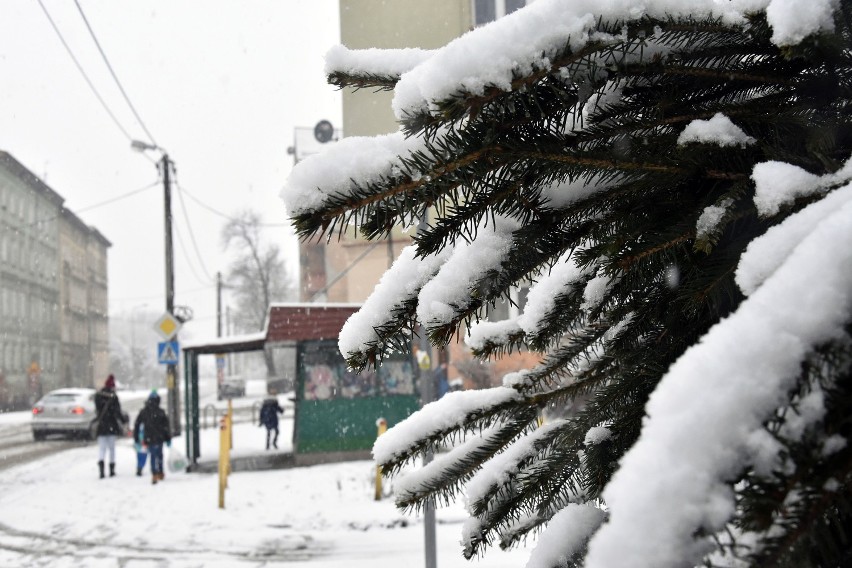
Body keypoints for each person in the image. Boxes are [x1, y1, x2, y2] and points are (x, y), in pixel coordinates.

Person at [133, 390, 172, 485]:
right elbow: (166, 427)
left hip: (149, 438)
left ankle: (154, 473)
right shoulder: (161, 412)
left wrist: (136, 437)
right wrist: (168, 438)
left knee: (153, 456)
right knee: (159, 455)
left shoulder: (144, 412)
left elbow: (137, 424)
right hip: (159, 438)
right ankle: (160, 472)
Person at [94, 374, 128, 479]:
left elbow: (97, 410)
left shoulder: (98, 395)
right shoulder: (113, 397)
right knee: (112, 449)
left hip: (101, 425)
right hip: (111, 426)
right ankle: (112, 470)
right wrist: (124, 421)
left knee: (102, 449)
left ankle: (101, 469)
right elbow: (117, 412)